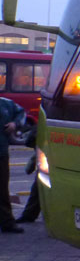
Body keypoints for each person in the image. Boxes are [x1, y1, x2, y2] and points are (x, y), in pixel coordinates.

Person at [0, 97, 26, 233]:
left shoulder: (5, 104)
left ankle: (7, 222)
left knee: (2, 189)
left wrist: (14, 124)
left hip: (1, 153)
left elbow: (21, 113)